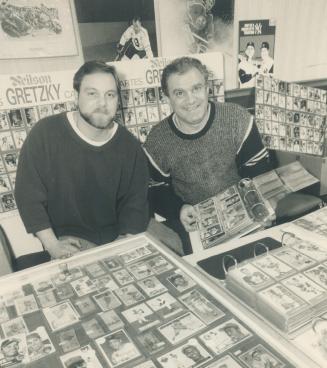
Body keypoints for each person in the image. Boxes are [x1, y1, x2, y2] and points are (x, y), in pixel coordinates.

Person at [15, 60, 149, 260]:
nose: (103, 103)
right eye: (92, 94)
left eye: (110, 95)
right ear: (76, 96)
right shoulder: (45, 133)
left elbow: (136, 203)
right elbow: (28, 196)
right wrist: (52, 244)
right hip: (71, 239)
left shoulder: (129, 145)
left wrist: (125, 241)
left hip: (118, 235)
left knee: (171, 250)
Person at [144, 57, 269, 253]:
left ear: (207, 88)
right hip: (193, 227)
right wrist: (179, 209)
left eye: (196, 88)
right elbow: (156, 192)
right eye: (179, 93)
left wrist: (258, 210)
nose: (191, 100)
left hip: (246, 219)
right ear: (167, 98)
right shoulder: (156, 141)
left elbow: (259, 174)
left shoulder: (238, 119)